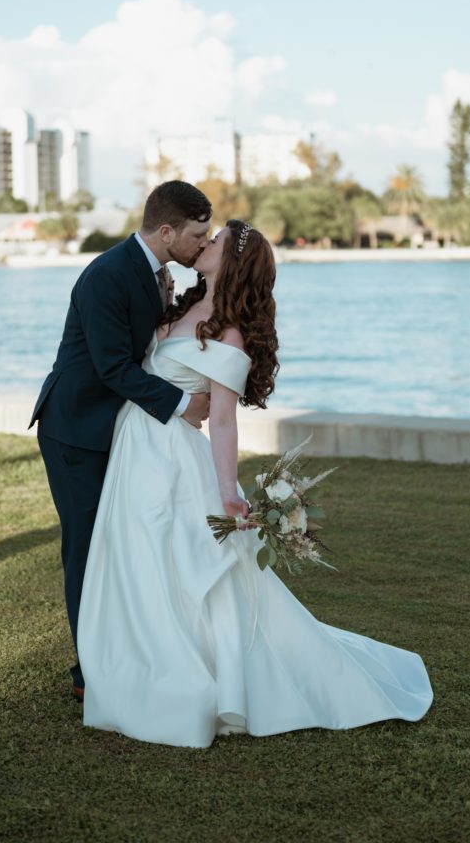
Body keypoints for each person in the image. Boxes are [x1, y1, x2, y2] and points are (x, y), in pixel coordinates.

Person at [77, 220, 433, 747]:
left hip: (173, 459)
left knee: (174, 558)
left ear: (234, 261)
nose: (205, 244)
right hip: (137, 448)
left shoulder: (229, 331)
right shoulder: (177, 307)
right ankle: (134, 659)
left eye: (214, 241)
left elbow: (222, 420)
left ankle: (185, 674)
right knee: (136, 557)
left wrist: (228, 491)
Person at [30, 181, 213, 701]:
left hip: (119, 430)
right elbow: (111, 366)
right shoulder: (106, 274)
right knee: (86, 549)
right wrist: (184, 406)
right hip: (77, 429)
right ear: (165, 231)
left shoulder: (158, 274)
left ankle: (124, 650)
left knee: (120, 545)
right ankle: (89, 673)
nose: (203, 244)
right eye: (197, 235)